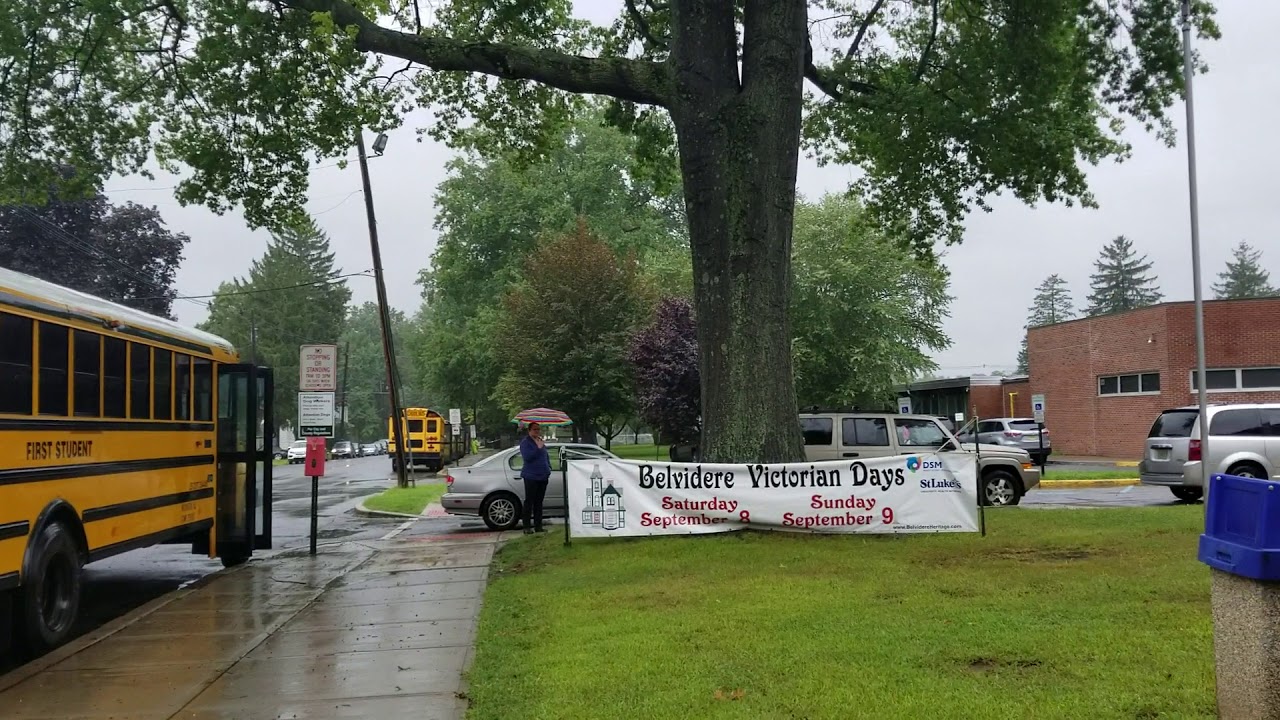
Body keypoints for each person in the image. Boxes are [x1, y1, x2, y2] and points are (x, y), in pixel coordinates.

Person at [518, 422, 551, 534]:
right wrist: (538, 448)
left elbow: (545, 456)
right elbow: (527, 457)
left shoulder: (540, 441)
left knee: (539, 502)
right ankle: (527, 526)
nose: (537, 431)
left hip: (543, 475)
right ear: (529, 430)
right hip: (531, 476)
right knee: (529, 501)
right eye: (535, 429)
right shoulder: (525, 443)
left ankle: (538, 526)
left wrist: (548, 468)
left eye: (538, 429)